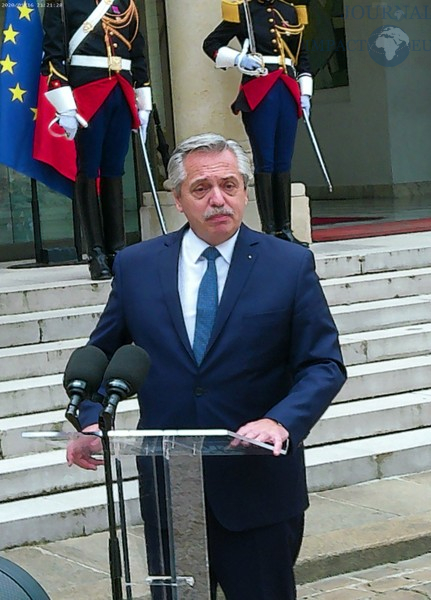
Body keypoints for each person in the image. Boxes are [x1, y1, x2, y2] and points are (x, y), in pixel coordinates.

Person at [65, 133, 347, 599]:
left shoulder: (289, 264)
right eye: (201, 189)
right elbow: (101, 359)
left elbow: (323, 364)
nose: (218, 200)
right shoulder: (137, 266)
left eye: (230, 186)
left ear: (244, 191)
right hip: (171, 489)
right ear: (178, 199)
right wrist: (92, 420)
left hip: (258, 487)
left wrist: (281, 421)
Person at [41, 0, 151, 280]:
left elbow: (137, 54)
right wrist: (64, 103)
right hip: (88, 93)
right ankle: (97, 252)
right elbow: (53, 55)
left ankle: (117, 249)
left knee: (115, 170)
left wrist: (144, 102)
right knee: (88, 170)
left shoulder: (127, 4)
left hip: (121, 90)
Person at [203, 0, 312, 245]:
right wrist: (239, 60)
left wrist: (305, 92)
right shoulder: (243, 11)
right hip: (260, 90)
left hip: (287, 89)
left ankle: (285, 228)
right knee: (266, 161)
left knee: (284, 161)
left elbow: (301, 55)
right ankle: (270, 230)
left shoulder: (290, 11)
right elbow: (211, 44)